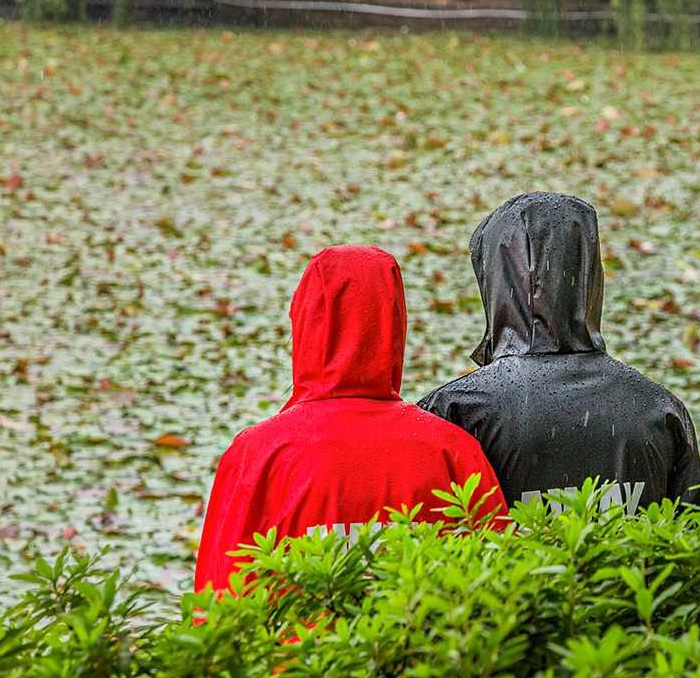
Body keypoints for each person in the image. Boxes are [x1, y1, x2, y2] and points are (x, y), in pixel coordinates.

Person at [195, 245, 507, 595]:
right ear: (395, 324)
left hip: (295, 651)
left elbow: (219, 603)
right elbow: (496, 589)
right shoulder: (452, 451)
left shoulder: (257, 455)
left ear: (304, 323)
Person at [418, 193, 700, 516]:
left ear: (495, 281)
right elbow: (692, 543)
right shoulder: (660, 411)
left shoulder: (454, 413)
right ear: (590, 274)